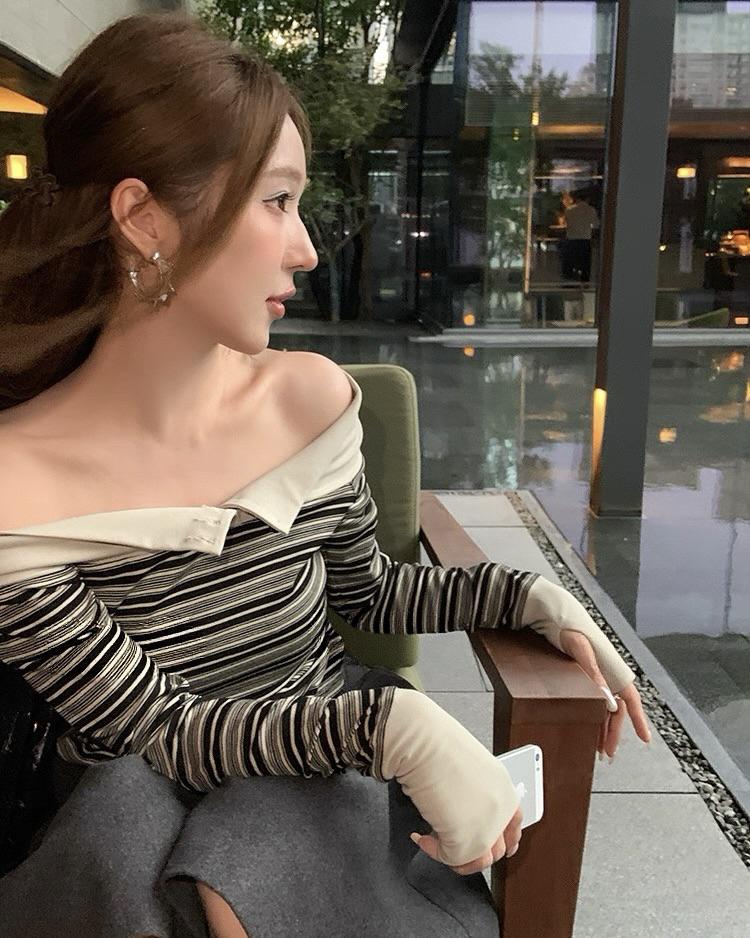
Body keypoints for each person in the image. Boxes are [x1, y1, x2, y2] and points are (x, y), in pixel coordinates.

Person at [0, 12, 650, 938]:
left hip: (320, 770)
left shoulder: (307, 399)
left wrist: (530, 596)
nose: (306, 249)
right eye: (276, 201)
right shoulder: (16, 483)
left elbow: (368, 590)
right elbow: (157, 729)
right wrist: (388, 729)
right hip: (143, 787)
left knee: (258, 851)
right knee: (142, 843)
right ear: (144, 218)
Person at [561, 191, 600, 282]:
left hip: (571, 238)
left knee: (570, 260)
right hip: (585, 239)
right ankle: (584, 278)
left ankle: (569, 277)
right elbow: (596, 225)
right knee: (585, 261)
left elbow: (565, 223)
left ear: (576, 199)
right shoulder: (591, 210)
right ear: (587, 199)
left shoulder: (569, 210)